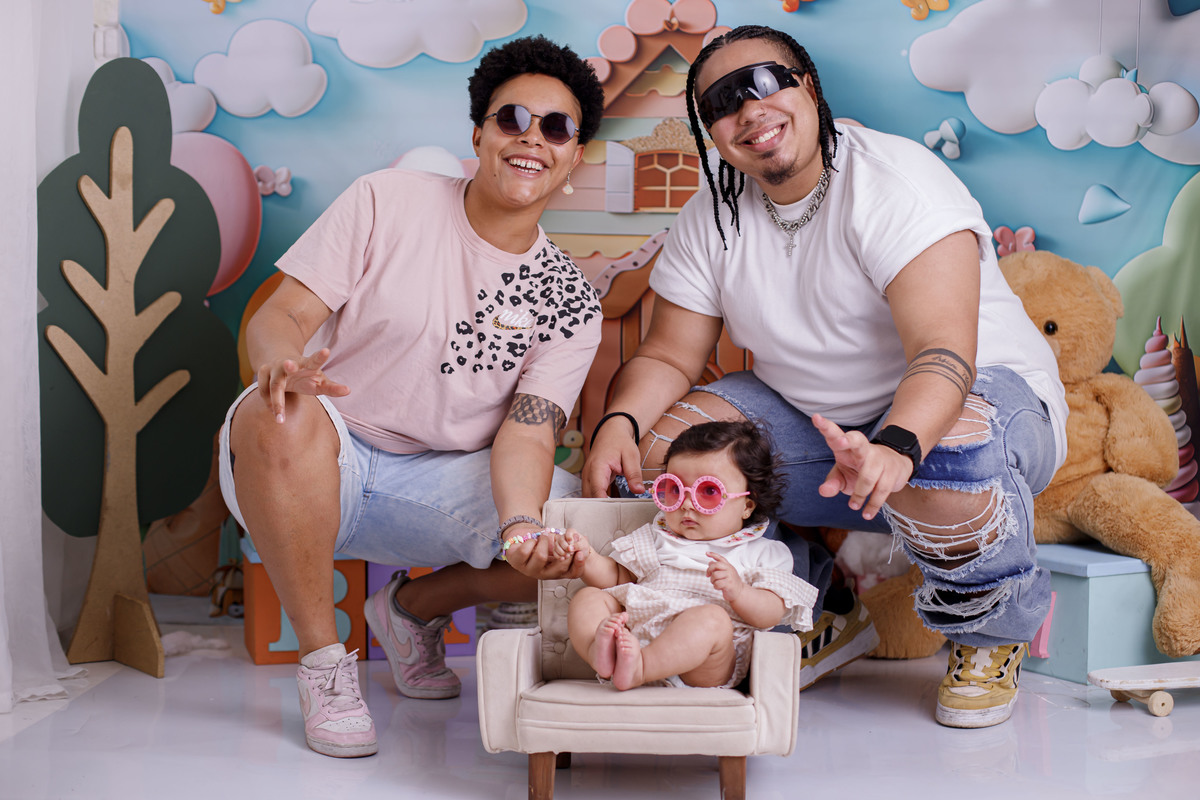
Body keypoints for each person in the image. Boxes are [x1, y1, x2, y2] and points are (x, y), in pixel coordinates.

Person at [582, 25, 1067, 729]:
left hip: (972, 403)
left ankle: (988, 631)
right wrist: (617, 425)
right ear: (710, 129)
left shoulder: (893, 180)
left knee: (948, 450)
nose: (749, 109)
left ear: (807, 87)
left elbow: (942, 352)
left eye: (764, 82)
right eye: (721, 102)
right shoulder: (711, 214)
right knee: (665, 453)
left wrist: (896, 445)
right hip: (823, 431)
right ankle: (816, 605)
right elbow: (666, 356)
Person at [217, 35, 605, 757]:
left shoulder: (569, 301)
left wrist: (522, 528)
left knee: (572, 526)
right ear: (479, 134)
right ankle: (325, 666)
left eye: (556, 128)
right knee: (279, 410)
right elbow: (282, 315)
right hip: (315, 458)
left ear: (575, 156)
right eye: (513, 118)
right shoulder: (387, 201)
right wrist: (279, 365)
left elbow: (527, 433)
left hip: (436, 485)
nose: (532, 139)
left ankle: (410, 611)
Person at [555, 421, 816, 690]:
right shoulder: (657, 537)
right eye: (675, 489)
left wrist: (739, 592)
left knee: (712, 620)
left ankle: (640, 668)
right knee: (588, 597)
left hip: (703, 664)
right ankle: (601, 653)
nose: (688, 504)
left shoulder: (761, 552)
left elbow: (770, 614)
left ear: (747, 505)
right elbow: (618, 577)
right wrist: (588, 558)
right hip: (638, 635)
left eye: (709, 491)